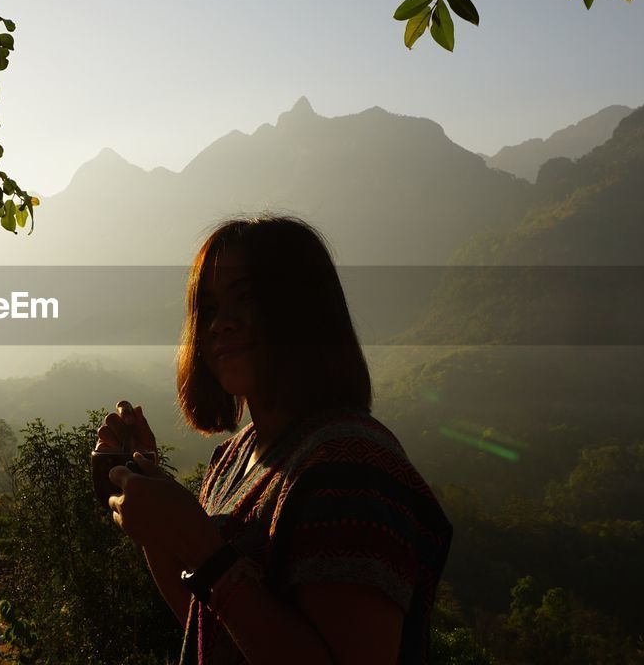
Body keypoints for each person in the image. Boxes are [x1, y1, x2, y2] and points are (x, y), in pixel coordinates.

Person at [95, 214, 453, 664]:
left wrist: (201, 546)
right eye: (208, 309)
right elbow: (208, 627)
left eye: (245, 299)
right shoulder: (232, 458)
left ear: (303, 310)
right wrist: (152, 501)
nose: (220, 325)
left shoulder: (351, 469)